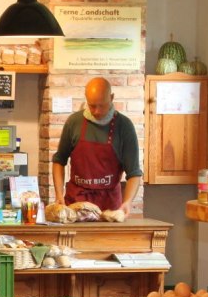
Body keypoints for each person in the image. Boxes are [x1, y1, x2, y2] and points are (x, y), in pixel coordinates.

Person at [50, 77, 142, 214]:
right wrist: (58, 195)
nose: (97, 111)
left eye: (102, 105)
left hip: (109, 207)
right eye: (92, 105)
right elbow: (59, 161)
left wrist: (128, 202)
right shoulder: (74, 122)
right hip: (76, 202)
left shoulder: (124, 126)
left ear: (111, 98)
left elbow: (134, 173)